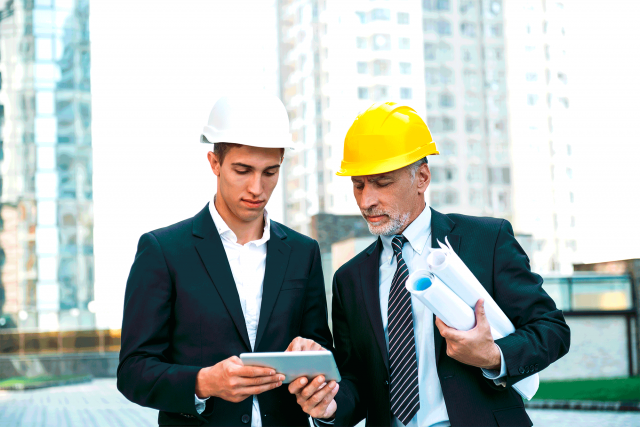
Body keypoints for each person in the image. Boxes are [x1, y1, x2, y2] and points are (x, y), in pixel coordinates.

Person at [289, 102, 570, 426]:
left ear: (422, 177)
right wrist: (329, 406)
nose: (367, 200)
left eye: (382, 182)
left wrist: (494, 356)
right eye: (359, 184)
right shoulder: (349, 279)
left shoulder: (485, 241)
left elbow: (552, 330)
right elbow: (358, 382)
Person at [117, 95, 332, 426]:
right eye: (242, 170)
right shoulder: (163, 251)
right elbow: (133, 371)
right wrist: (203, 383)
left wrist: (313, 358)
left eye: (270, 172)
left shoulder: (304, 253)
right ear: (214, 163)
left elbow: (322, 356)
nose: (256, 188)